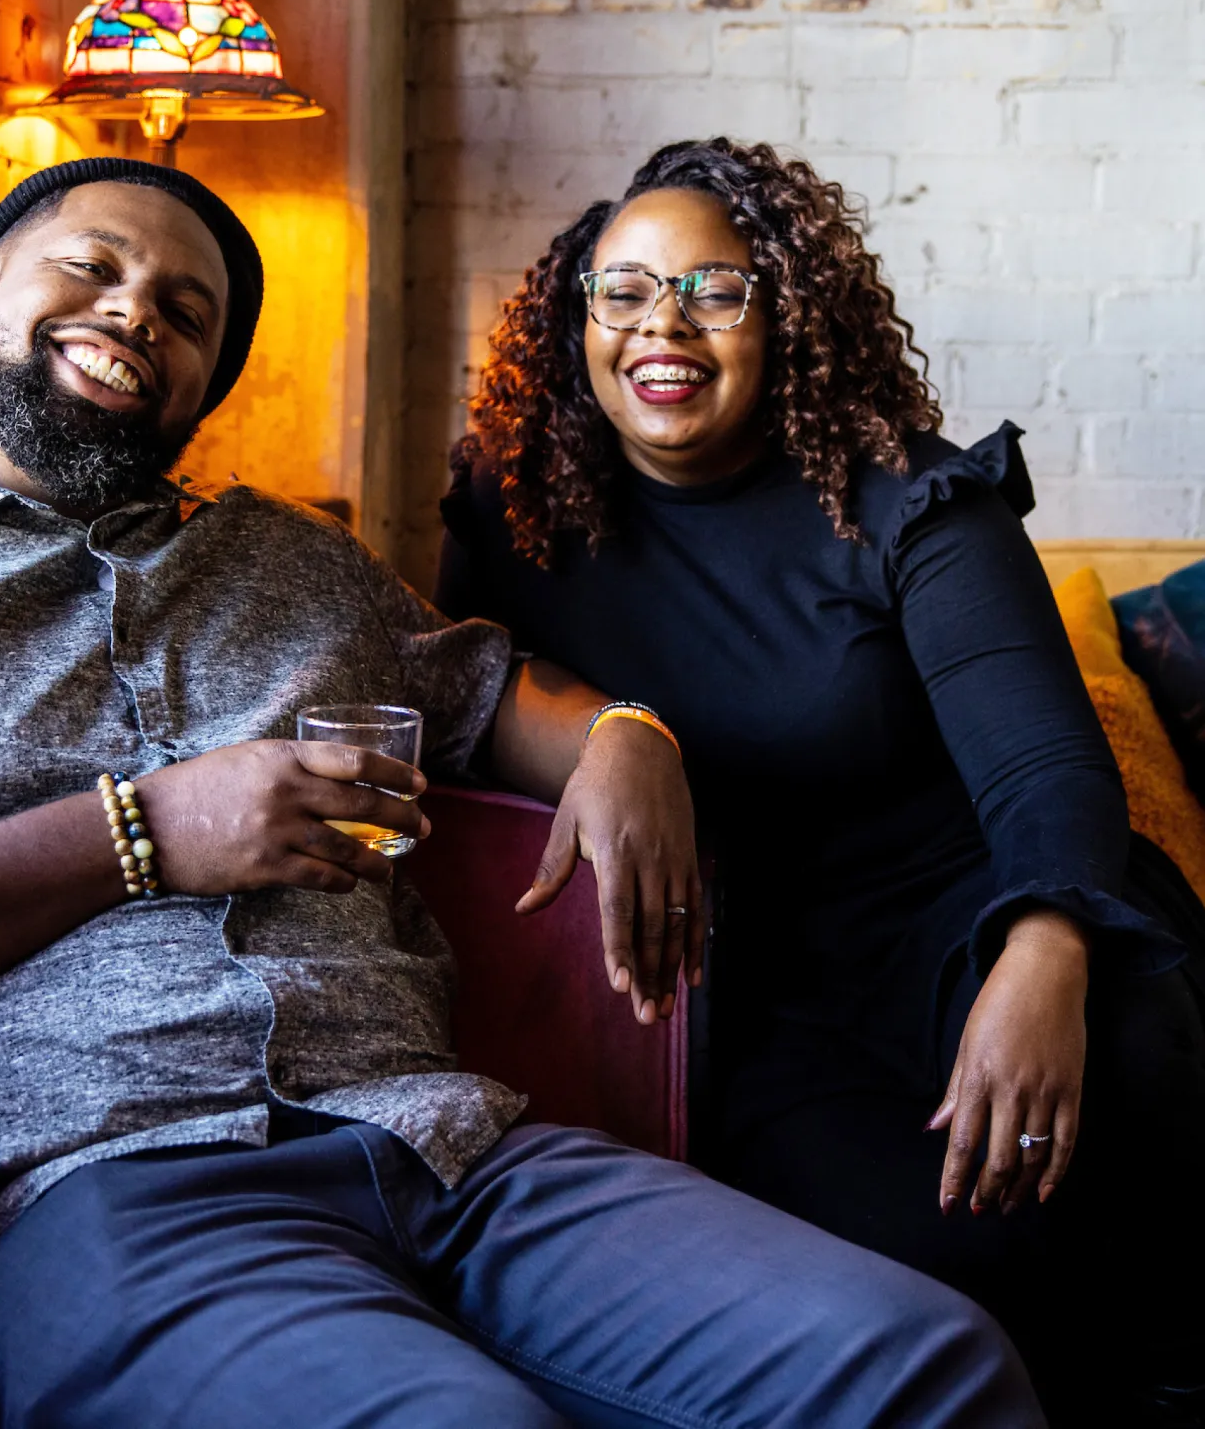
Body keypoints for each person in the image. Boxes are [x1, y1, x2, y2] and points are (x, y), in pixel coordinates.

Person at [0, 158, 1038, 1428]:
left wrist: (627, 731)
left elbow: (490, 690)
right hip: (77, 1204)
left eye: (184, 315)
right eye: (93, 267)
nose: (135, 316)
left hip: (448, 1148)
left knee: (918, 1364)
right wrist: (141, 832)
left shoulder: (287, 565)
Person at [435, 137, 1205, 1428]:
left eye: (712, 289)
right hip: (746, 992)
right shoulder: (513, 504)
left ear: (782, 311)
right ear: (577, 320)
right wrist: (622, 731)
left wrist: (1042, 950)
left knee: (1129, 1047)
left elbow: (1040, 761)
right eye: (619, 292)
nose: (658, 325)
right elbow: (475, 709)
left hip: (972, 917)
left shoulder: (907, 495)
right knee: (947, 1251)